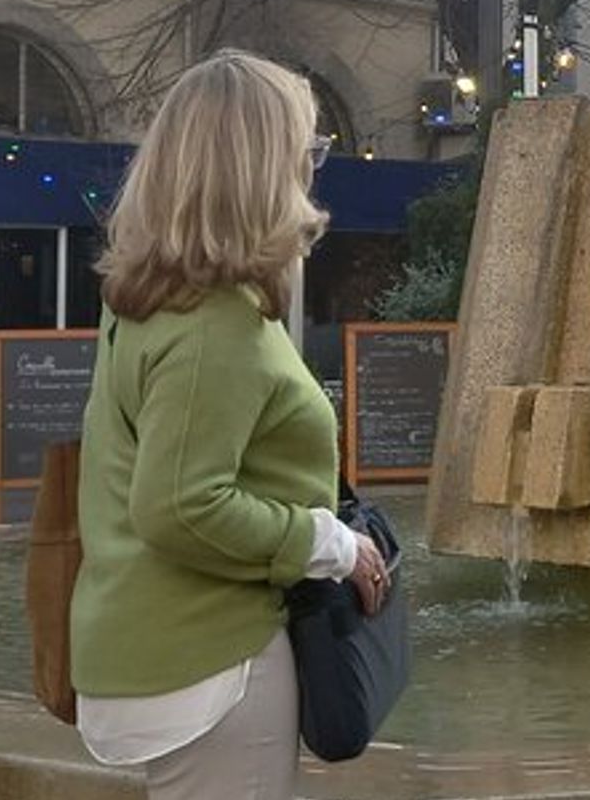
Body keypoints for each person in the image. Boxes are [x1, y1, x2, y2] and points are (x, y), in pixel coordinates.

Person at [70, 50, 390, 800]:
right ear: (261, 168)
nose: (309, 171)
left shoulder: (151, 301)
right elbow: (180, 507)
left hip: (150, 646)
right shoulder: (216, 325)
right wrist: (332, 545)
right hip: (212, 662)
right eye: (305, 150)